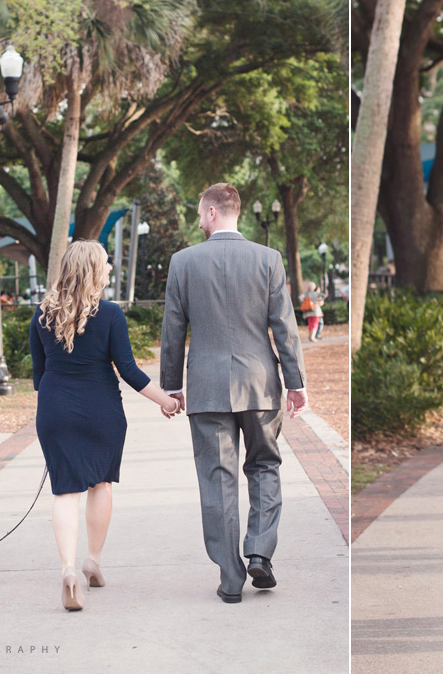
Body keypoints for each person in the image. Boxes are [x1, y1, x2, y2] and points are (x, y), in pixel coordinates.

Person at [160, 182, 307, 604]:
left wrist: (172, 385)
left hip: (206, 387)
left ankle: (230, 579)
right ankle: (259, 550)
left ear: (210, 213)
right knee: (264, 466)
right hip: (259, 385)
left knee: (217, 478)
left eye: (199, 213)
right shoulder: (268, 259)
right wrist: (296, 384)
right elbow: (285, 327)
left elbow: (173, 330)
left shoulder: (183, 262)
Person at [30, 240, 180, 612]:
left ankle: (68, 571)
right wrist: (166, 401)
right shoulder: (111, 314)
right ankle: (92, 561)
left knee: (65, 491)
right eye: (107, 263)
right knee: (101, 483)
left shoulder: (42, 313)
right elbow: (127, 370)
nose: (111, 268)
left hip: (55, 409)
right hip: (102, 411)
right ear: (94, 270)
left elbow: (38, 374)